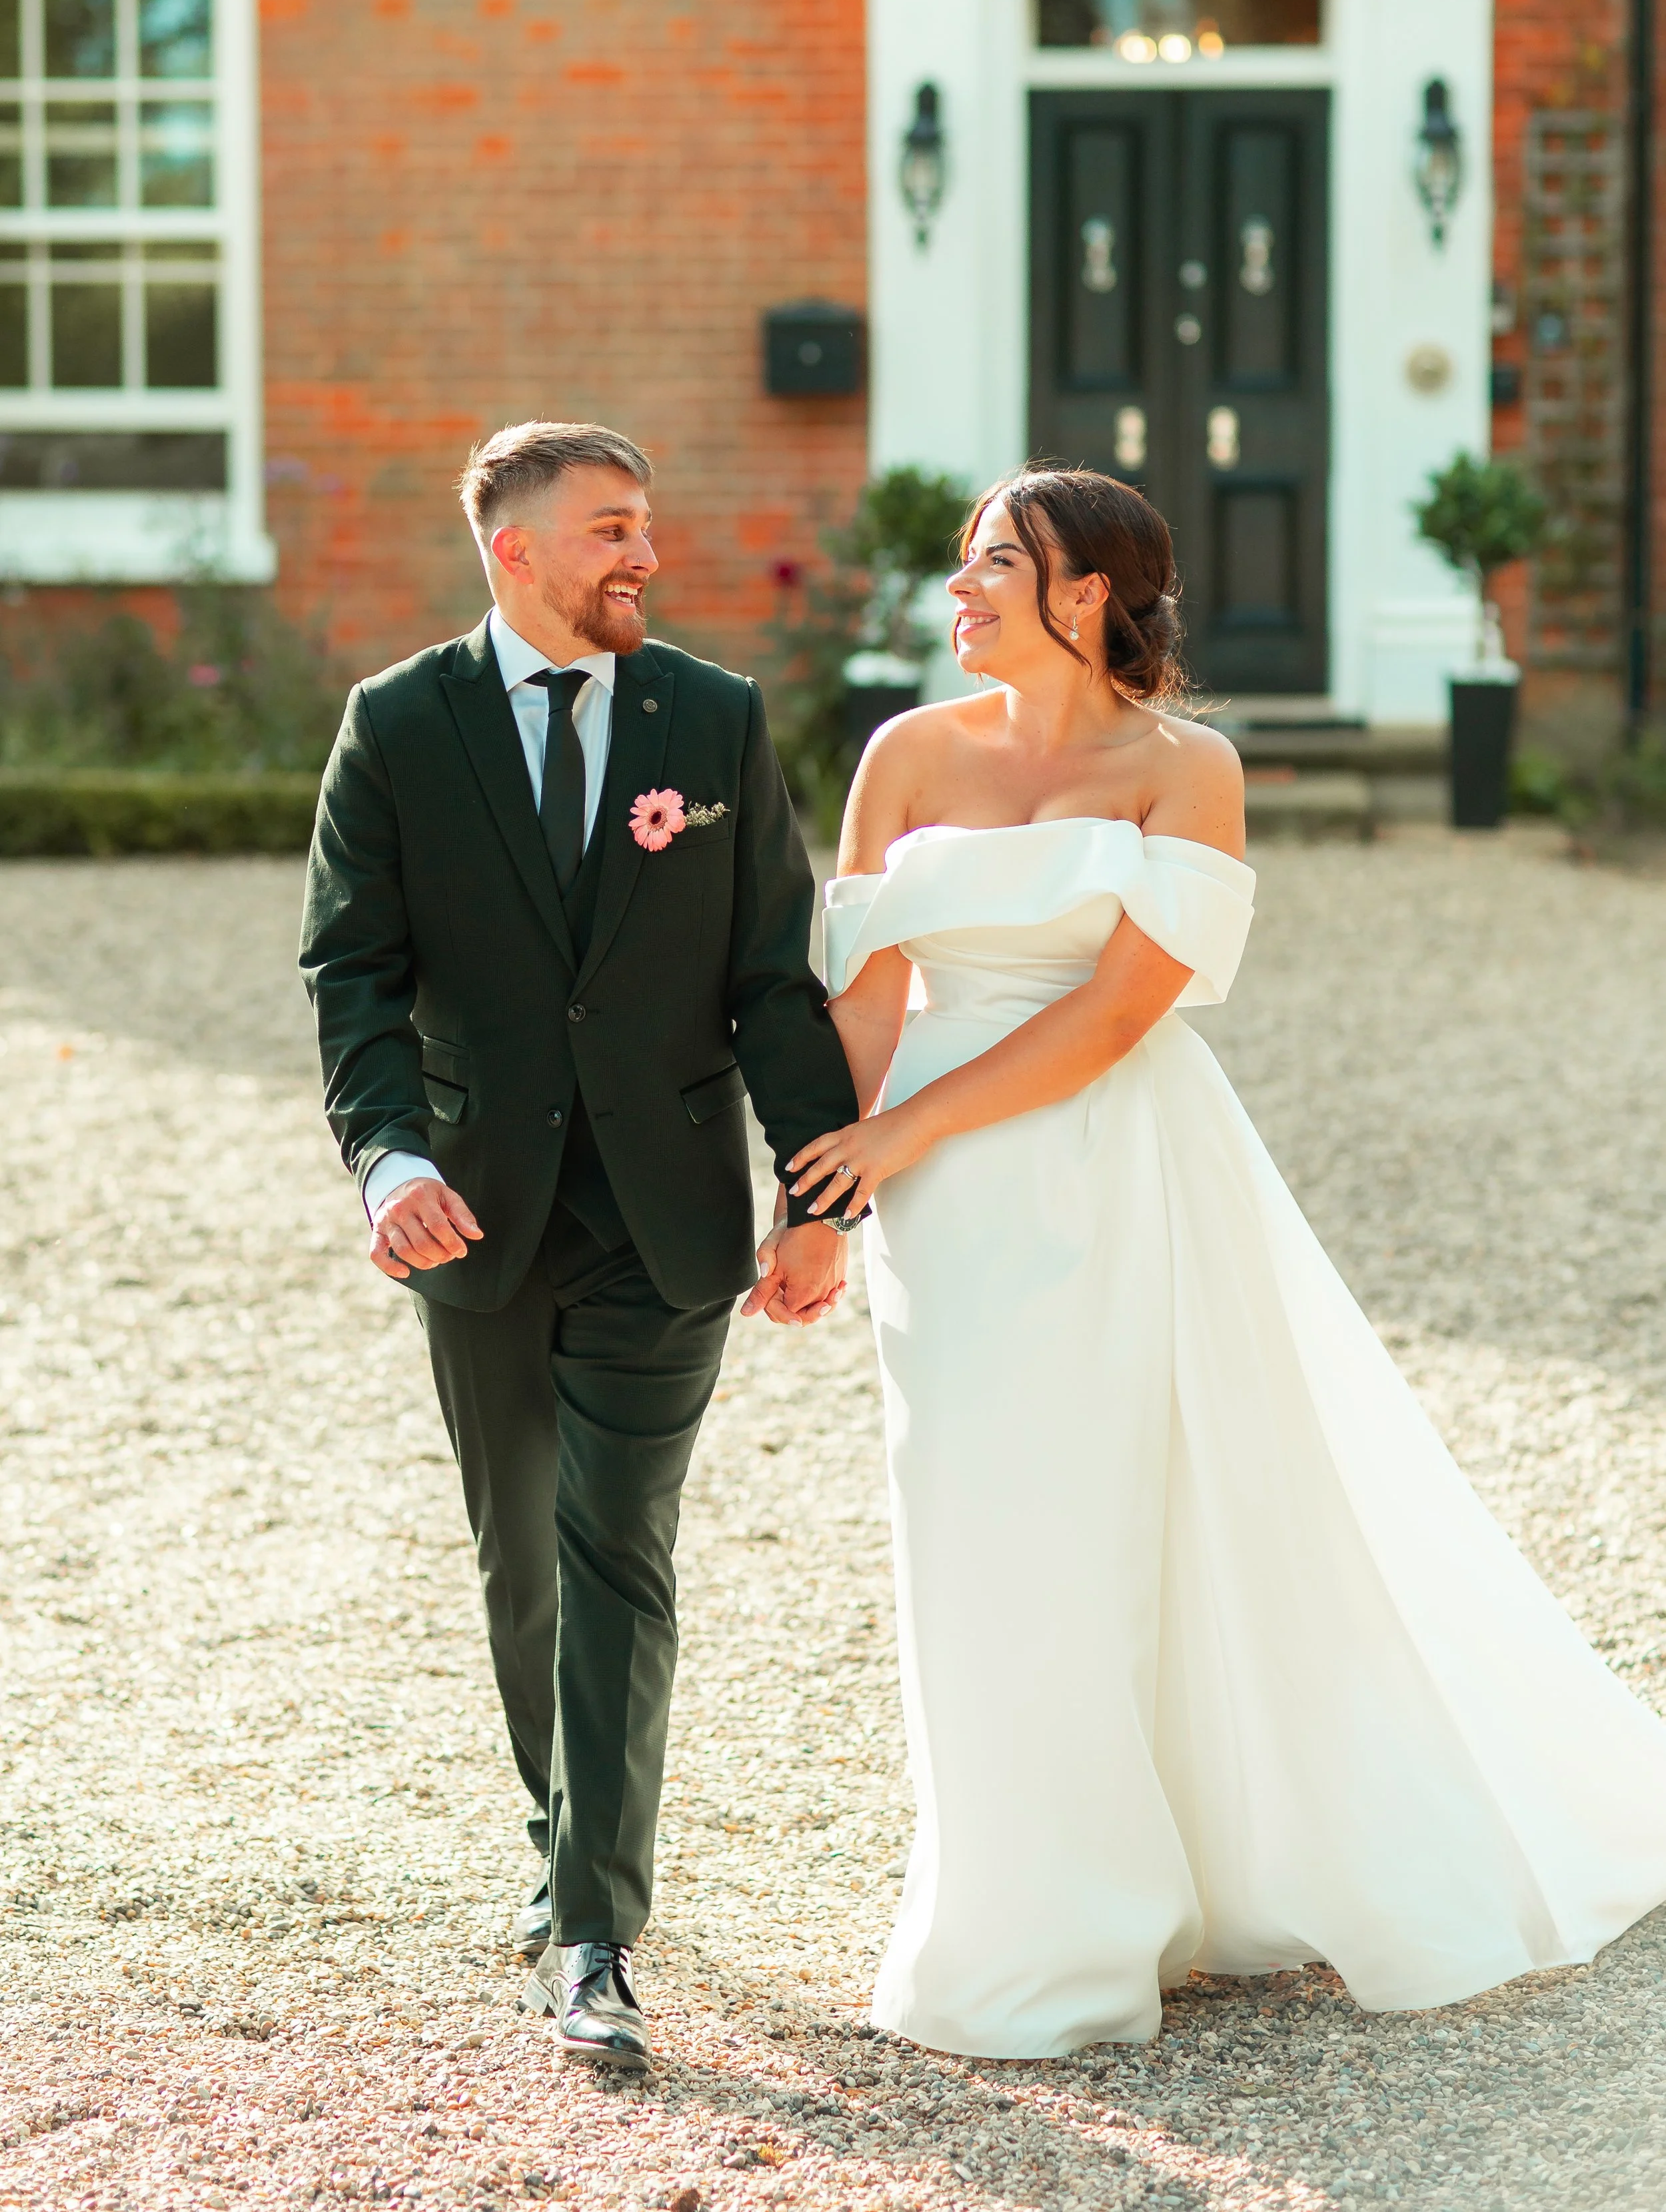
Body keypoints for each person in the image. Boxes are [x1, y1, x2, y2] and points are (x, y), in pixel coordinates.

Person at [788, 462, 1666, 2061]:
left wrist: (903, 1137)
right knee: (972, 1529)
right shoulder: (902, 752)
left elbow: (1118, 1011)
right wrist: (819, 1192)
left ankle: (1110, 1915)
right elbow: (860, 986)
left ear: (1084, 592)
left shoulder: (1184, 769)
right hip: (938, 1215)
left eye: (991, 562)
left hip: (1109, 1171)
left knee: (1120, 1524)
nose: (957, 590)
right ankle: (1018, 1899)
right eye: (966, 561)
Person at [299, 420, 859, 2070]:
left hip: (664, 1218)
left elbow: (771, 970)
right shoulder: (396, 726)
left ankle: (596, 1931)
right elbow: (351, 970)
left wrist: (817, 1197)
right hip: (471, 1206)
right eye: (610, 529)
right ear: (515, 551)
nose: (644, 556)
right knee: (516, 1555)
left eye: (646, 526)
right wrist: (387, 1156)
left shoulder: (715, 715)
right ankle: (569, 1851)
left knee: (615, 1543)